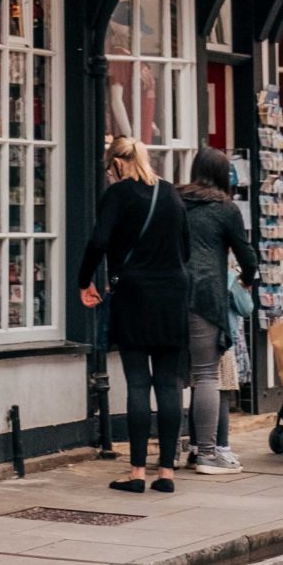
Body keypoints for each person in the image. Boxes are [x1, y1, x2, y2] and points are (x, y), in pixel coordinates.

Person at [78, 133, 191, 492]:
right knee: (169, 384)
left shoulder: (119, 193)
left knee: (139, 382)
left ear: (117, 163)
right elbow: (185, 248)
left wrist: (85, 281)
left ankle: (138, 472)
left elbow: (98, 240)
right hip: (173, 294)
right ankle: (168, 473)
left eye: (110, 168)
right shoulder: (171, 193)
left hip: (134, 295)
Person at [178, 145, 258, 475]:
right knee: (207, 374)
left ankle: (170, 454)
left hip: (171, 292)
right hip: (207, 296)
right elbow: (247, 257)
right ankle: (207, 453)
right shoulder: (226, 209)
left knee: (172, 375)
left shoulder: (177, 200)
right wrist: (246, 281)